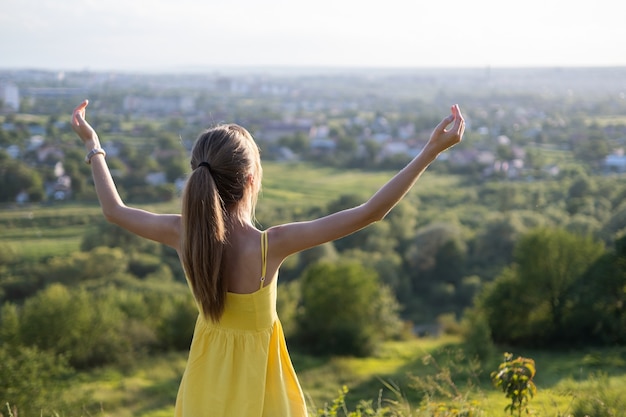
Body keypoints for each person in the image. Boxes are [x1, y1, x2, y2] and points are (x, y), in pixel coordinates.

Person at [71, 99, 465, 417]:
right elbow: (371, 212)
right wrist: (430, 151)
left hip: (204, 385)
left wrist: (93, 144)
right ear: (249, 181)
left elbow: (114, 210)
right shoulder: (270, 246)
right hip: (262, 388)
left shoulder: (183, 233)